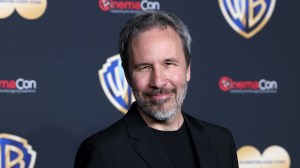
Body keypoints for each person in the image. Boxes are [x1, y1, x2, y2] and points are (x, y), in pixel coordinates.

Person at [75, 11, 239, 168]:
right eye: (144, 67)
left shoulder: (221, 142)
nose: (158, 82)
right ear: (127, 76)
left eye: (169, 64)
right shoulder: (103, 152)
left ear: (187, 69)